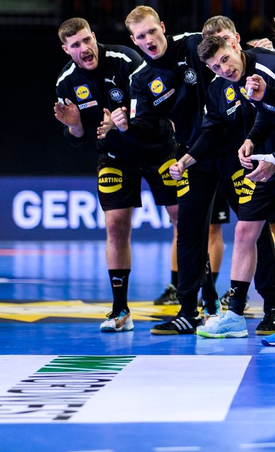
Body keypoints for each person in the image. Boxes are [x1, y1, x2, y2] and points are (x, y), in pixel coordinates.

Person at [175, 35, 275, 343]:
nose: (224, 69)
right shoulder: (223, 86)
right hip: (264, 164)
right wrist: (251, 140)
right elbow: (267, 114)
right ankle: (234, 316)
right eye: (215, 67)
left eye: (225, 59)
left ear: (235, 46)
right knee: (245, 231)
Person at [53, 18, 178, 332]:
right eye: (76, 45)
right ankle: (120, 310)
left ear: (94, 37)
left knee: (185, 219)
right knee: (115, 225)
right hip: (114, 156)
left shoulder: (125, 59)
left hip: (158, 148)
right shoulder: (66, 83)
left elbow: (151, 104)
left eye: (87, 40)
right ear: (67, 50)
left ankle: (202, 301)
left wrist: (124, 122)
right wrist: (74, 124)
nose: (85, 48)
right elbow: (78, 137)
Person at [123, 7, 233, 333]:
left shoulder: (193, 44)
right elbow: (144, 126)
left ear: (162, 27)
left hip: (229, 147)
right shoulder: (141, 79)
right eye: (141, 36)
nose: (148, 39)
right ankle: (189, 311)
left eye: (152, 31)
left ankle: (270, 308)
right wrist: (123, 126)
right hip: (191, 157)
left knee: (252, 225)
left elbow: (230, 58)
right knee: (188, 231)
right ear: (134, 40)